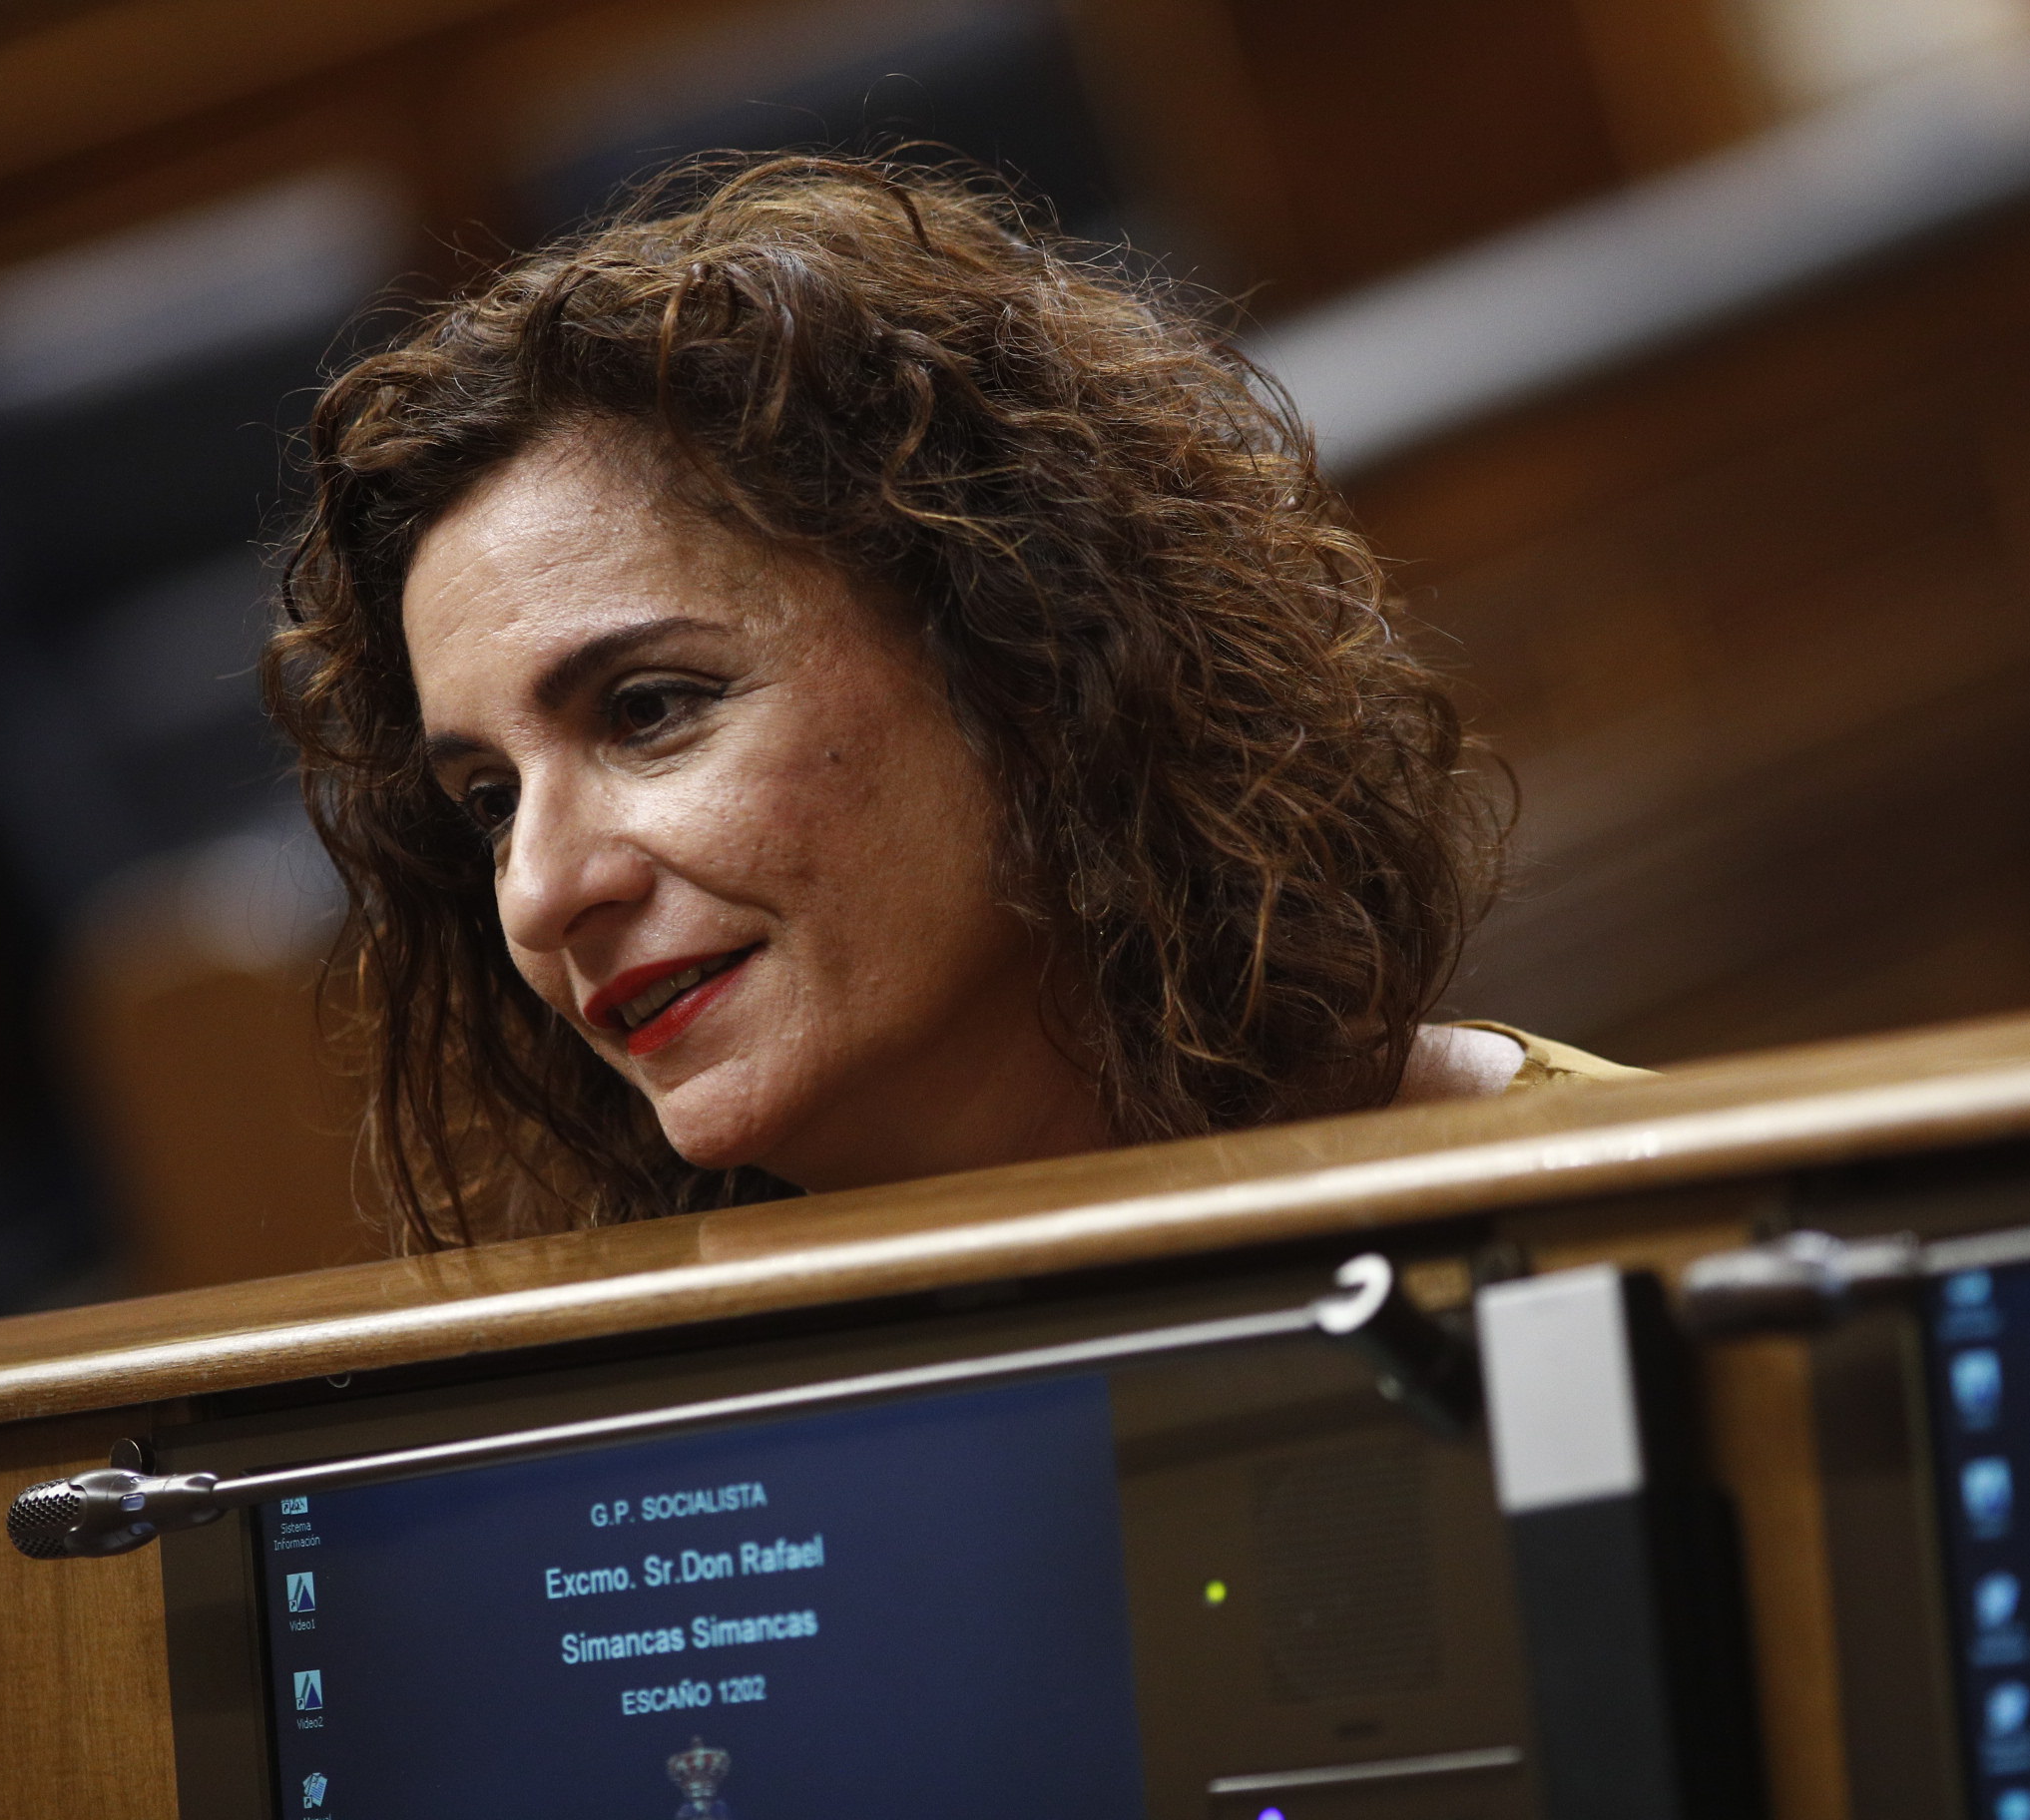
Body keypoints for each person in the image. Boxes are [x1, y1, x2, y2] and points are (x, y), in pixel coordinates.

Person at [266, 156, 1647, 1250]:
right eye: (489, 802)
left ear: (1023, 655)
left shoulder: (1631, 1226)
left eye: (647, 712)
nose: (539, 893)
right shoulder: (654, 1418)